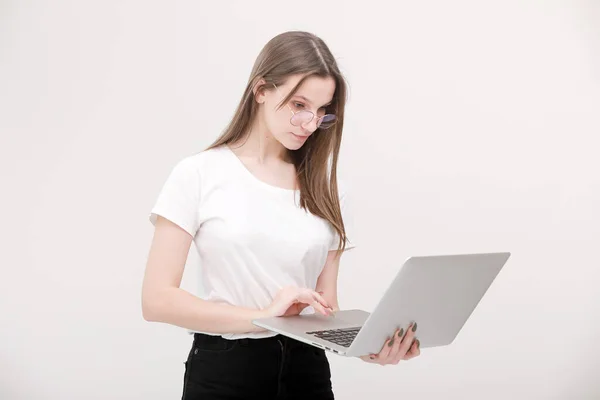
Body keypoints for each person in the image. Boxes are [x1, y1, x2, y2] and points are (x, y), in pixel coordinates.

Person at [142, 30, 421, 400]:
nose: (310, 123)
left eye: (322, 111)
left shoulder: (328, 190)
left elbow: (326, 307)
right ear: (261, 91)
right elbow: (156, 300)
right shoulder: (199, 174)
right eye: (299, 105)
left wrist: (369, 346)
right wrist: (262, 316)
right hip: (225, 373)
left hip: (307, 373)